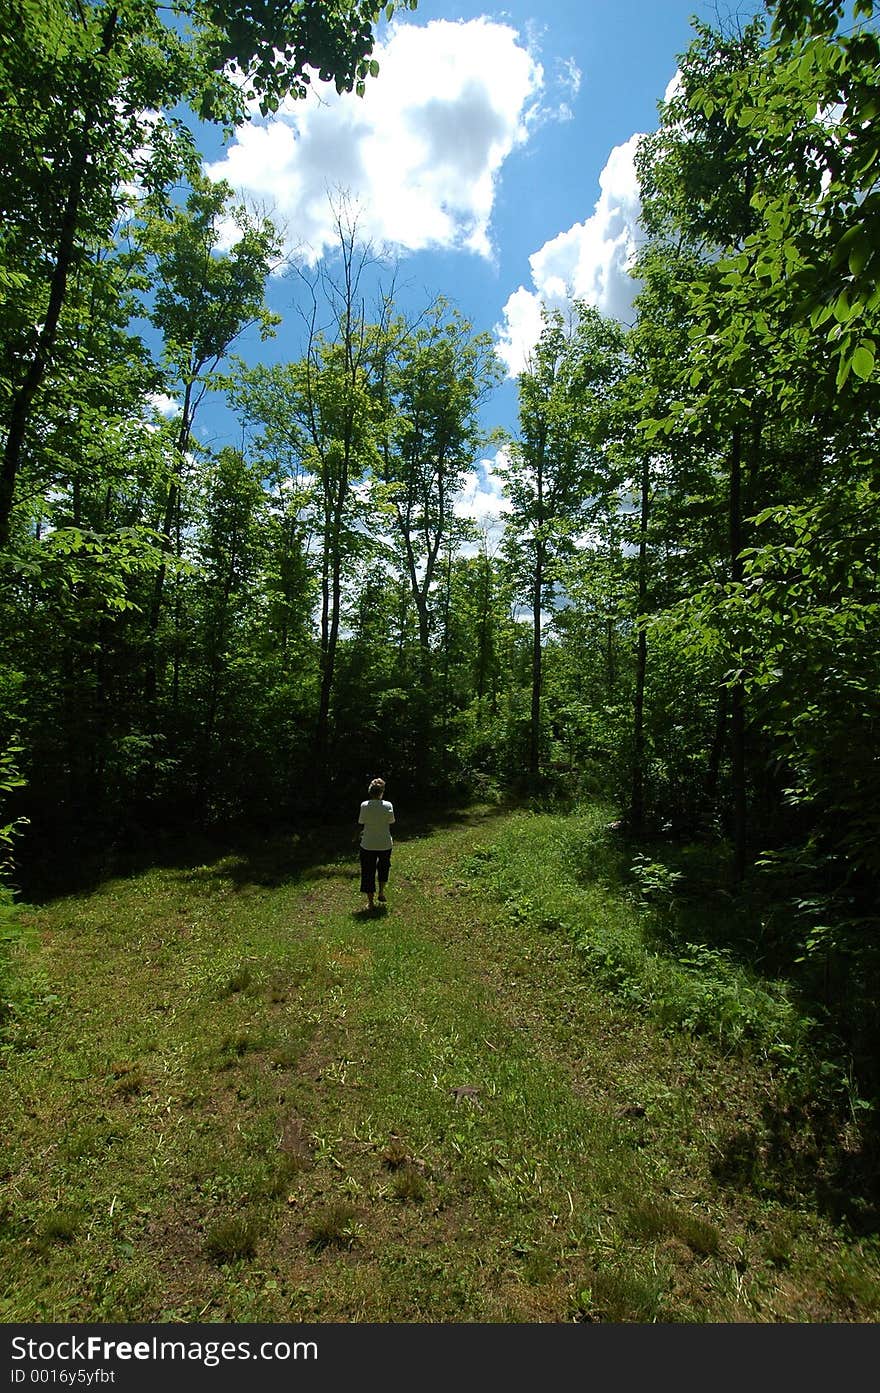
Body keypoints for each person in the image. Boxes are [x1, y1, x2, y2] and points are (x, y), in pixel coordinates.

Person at [358, 777, 395, 911]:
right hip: (385, 843)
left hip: (368, 843)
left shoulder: (364, 805)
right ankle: (381, 892)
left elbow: (361, 821)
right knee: (384, 867)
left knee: (368, 871)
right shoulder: (388, 805)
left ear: (370, 791)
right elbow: (391, 821)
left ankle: (370, 902)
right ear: (382, 792)